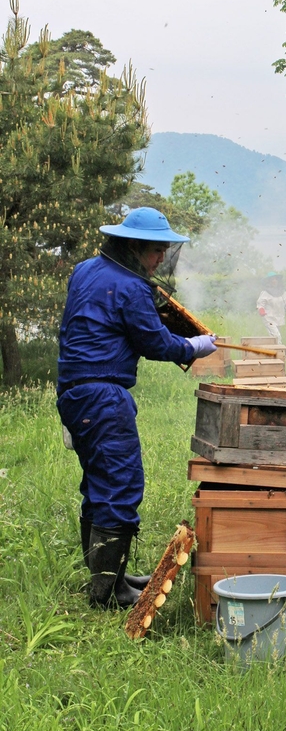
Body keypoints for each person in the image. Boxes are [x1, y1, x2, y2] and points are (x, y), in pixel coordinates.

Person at [57, 207, 217, 609]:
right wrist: (193, 346)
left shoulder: (84, 271)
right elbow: (155, 343)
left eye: (164, 250)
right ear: (133, 246)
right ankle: (108, 593)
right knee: (120, 485)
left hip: (74, 393)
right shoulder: (130, 286)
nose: (161, 257)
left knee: (98, 485)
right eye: (155, 250)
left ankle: (110, 577)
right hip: (103, 396)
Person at [256, 272, 286, 343]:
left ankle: (272, 349)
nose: (274, 281)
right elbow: (260, 304)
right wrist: (261, 311)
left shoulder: (282, 292)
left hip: (279, 318)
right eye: (272, 279)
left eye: (275, 279)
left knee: (273, 337)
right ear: (268, 281)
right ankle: (280, 349)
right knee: (277, 336)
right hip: (269, 318)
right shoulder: (265, 293)